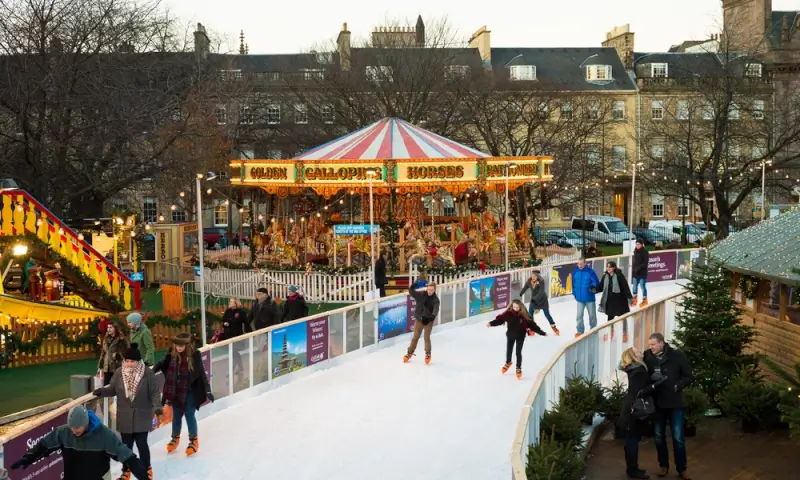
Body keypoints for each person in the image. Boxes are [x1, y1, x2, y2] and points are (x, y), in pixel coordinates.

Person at [9, 405, 149, 480]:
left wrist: (143, 476)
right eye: (71, 427)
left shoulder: (104, 435)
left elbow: (128, 456)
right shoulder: (64, 432)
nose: (73, 431)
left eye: (77, 428)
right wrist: (28, 458)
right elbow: (44, 445)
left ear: (86, 423)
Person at [93, 344, 161, 480]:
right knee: (126, 446)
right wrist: (102, 391)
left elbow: (154, 393)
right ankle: (126, 471)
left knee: (142, 444)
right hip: (125, 416)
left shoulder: (147, 373)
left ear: (138, 361)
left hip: (142, 414)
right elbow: (112, 388)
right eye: (127, 361)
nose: (129, 364)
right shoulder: (119, 373)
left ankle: (146, 468)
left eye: (132, 361)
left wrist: (157, 407)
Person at [153, 332, 214, 457]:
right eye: (177, 345)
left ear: (186, 345)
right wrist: (150, 372)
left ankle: (193, 440)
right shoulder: (171, 355)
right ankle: (175, 438)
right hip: (176, 391)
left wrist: (208, 391)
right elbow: (160, 364)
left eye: (182, 346)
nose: (179, 348)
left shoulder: (194, 356)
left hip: (190, 390)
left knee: (189, 414)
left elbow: (202, 374)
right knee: (177, 415)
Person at [644, 333, 694, 480]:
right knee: (659, 437)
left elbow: (689, 376)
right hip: (657, 403)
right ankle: (663, 466)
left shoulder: (677, 355)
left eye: (653, 344)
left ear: (661, 343)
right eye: (649, 344)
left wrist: (677, 385)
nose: (650, 347)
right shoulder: (648, 356)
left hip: (674, 402)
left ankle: (682, 469)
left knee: (678, 438)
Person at [619, 347, 664, 480]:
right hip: (635, 411)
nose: (641, 352)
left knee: (631, 440)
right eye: (637, 351)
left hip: (631, 409)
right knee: (632, 440)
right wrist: (655, 386)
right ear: (634, 356)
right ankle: (633, 470)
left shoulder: (633, 368)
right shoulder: (639, 371)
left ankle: (632, 468)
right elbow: (640, 391)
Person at [486, 299, 546, 379]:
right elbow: (500, 320)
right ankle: (508, 362)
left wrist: (541, 332)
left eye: (517, 307)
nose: (516, 308)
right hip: (510, 335)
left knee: (518, 352)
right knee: (509, 351)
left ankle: (518, 368)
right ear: (512, 306)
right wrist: (491, 323)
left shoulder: (524, 315)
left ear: (521, 307)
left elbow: (533, 325)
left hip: (520, 336)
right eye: (514, 307)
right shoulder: (508, 314)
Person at [403, 280, 440, 365]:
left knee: (426, 337)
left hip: (428, 320)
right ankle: (409, 352)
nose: (430, 291)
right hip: (419, 319)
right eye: (429, 289)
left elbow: (435, 311)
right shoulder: (421, 295)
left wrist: (430, 318)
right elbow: (411, 291)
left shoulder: (435, 300)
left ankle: (428, 354)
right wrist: (415, 284)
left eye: (432, 290)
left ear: (434, 290)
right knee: (415, 337)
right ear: (427, 288)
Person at [519, 270, 560, 335]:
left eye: (535, 276)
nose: (533, 277)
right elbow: (525, 287)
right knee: (530, 314)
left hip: (542, 300)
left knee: (547, 314)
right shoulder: (529, 281)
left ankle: (554, 327)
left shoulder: (541, 282)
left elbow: (541, 293)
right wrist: (521, 292)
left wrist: (534, 299)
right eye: (532, 276)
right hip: (533, 300)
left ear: (538, 276)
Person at [572, 257, 599, 339]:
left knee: (592, 316)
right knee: (579, 316)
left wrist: (593, 287)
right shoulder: (575, 272)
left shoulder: (590, 272)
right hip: (579, 299)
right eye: (578, 263)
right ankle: (580, 331)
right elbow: (573, 283)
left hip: (589, 298)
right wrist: (574, 293)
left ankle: (593, 330)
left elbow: (595, 281)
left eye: (581, 263)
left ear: (585, 263)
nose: (579, 265)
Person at [222, 297, 251, 373]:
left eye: (231, 302)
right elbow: (223, 320)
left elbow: (246, 323)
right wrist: (225, 324)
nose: (229, 303)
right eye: (229, 302)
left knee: (234, 352)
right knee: (233, 352)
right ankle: (240, 367)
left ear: (236, 304)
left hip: (236, 336)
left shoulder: (241, 312)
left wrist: (250, 333)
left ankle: (233, 368)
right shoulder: (227, 311)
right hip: (228, 335)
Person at [98, 321, 128, 386]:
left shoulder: (121, 339)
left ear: (115, 329)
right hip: (107, 365)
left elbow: (127, 351)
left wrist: (119, 355)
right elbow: (103, 352)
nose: (108, 329)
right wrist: (100, 365)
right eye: (108, 327)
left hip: (117, 366)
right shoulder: (106, 338)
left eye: (111, 327)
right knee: (106, 386)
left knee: (117, 385)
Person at [631, 239, 650, 307]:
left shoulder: (645, 252)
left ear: (642, 245)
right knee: (634, 287)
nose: (637, 245)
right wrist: (634, 270)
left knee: (642, 286)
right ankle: (634, 299)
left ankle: (645, 300)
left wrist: (638, 268)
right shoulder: (635, 251)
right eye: (636, 244)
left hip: (642, 273)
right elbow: (635, 262)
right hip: (635, 273)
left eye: (639, 244)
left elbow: (645, 263)